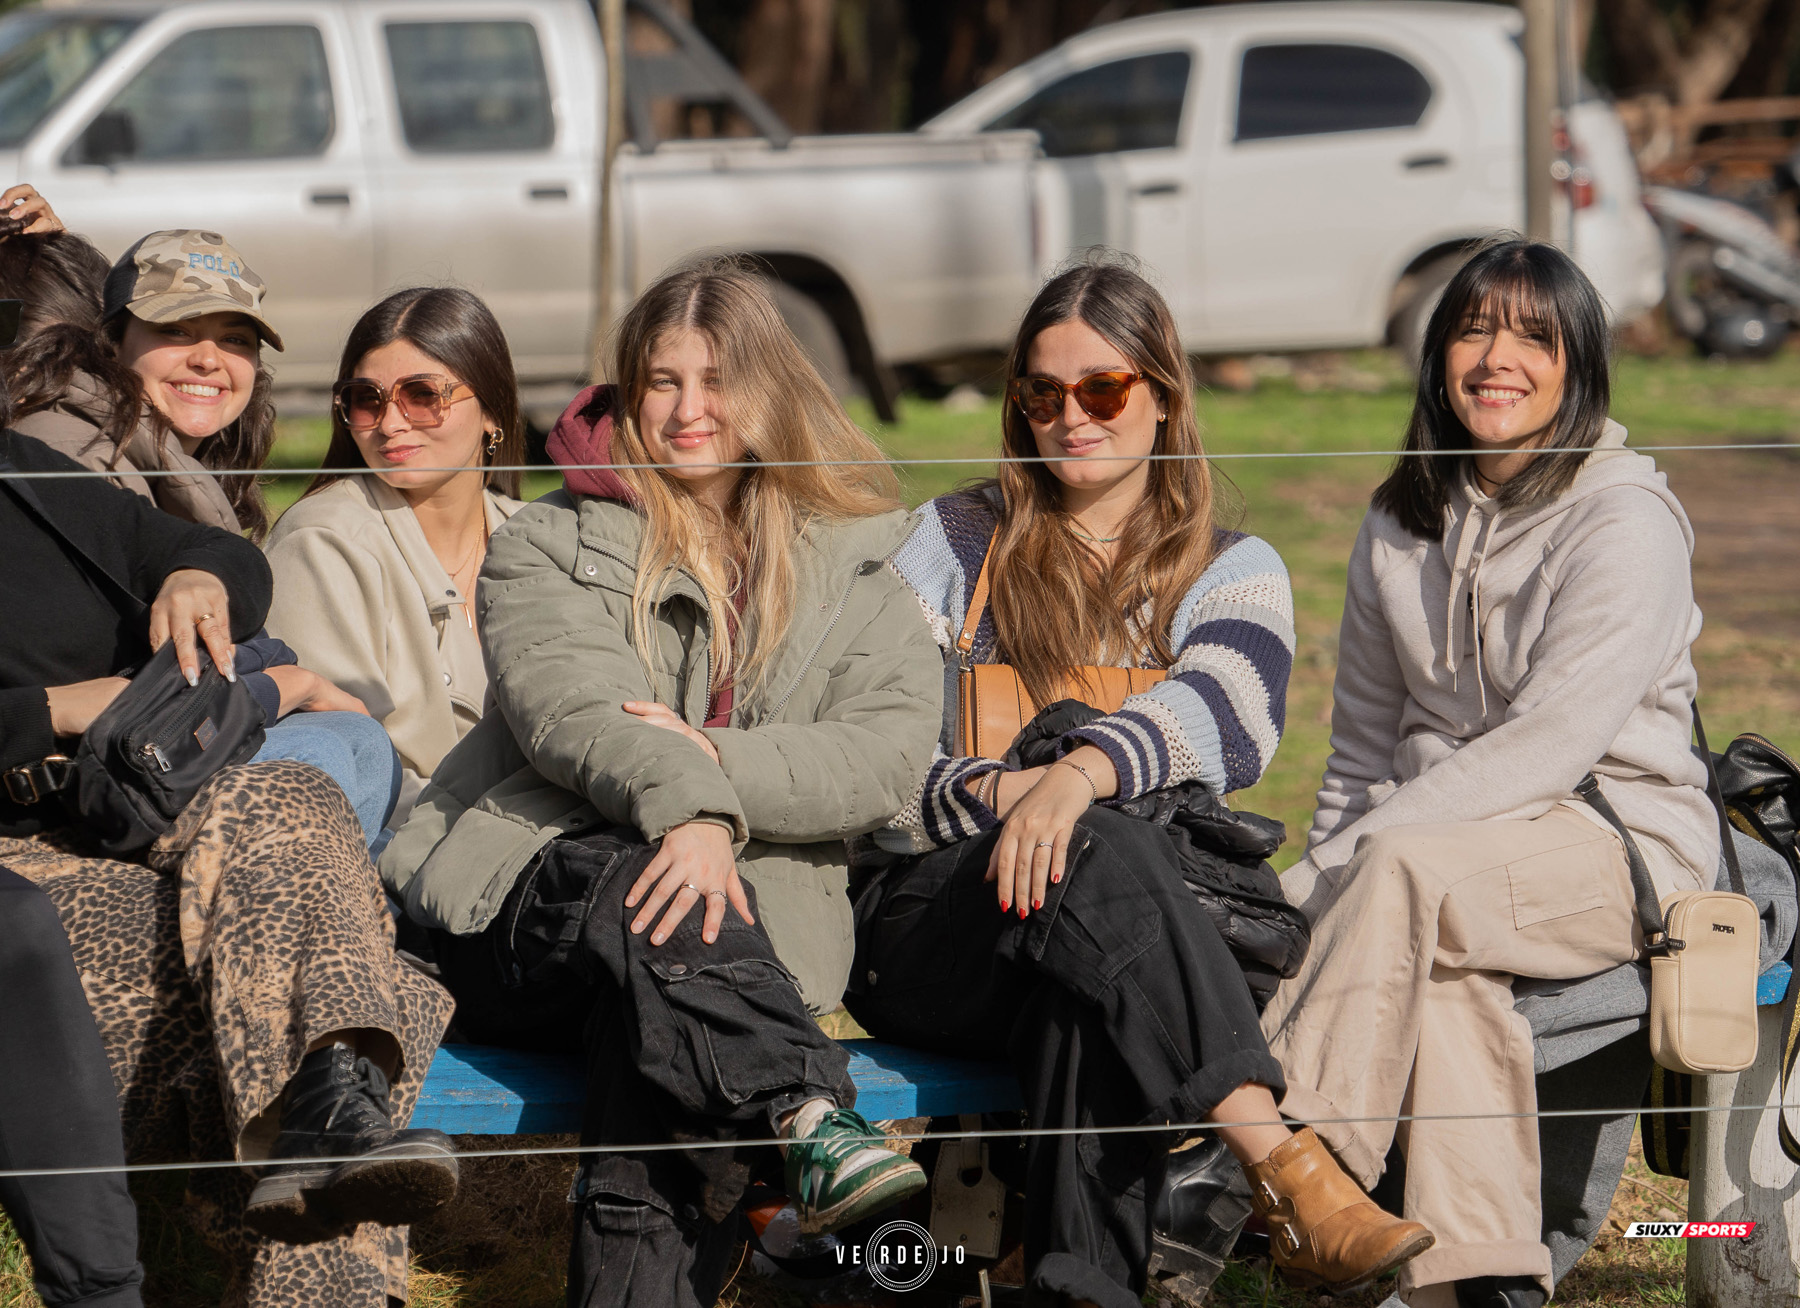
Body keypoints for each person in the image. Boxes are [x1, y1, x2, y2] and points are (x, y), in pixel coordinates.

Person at [849, 259, 1432, 1308]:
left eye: (1103, 389)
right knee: (1100, 850)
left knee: (1091, 950)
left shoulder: (1228, 565)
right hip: (934, 927)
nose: (1071, 416)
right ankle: (1279, 1161)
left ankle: (1084, 1291)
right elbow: (868, 744)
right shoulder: (950, 543)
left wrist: (1082, 771)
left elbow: (1235, 710)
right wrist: (1000, 797)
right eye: (1041, 391)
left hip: (1107, 944)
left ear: (1163, 394)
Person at [379, 260, 944, 1307]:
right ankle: (808, 1114)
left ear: (771, 389)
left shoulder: (859, 562)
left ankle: (788, 1131)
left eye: (716, 380)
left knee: (654, 1063)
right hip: (530, 904)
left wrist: (711, 773)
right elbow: (575, 712)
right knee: (640, 885)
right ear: (629, 394)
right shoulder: (548, 542)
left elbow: (885, 754)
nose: (688, 410)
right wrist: (685, 813)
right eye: (662, 382)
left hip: (720, 954)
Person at [1259, 239, 1719, 1308]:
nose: (1497, 358)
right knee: (1448, 974)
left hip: (1617, 841)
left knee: (1402, 875)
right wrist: (1330, 862)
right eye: (1473, 329)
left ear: (1578, 366)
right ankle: (1477, 1283)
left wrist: (1328, 876)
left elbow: (1551, 743)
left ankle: (1292, 1165)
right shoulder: (1396, 522)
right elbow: (1361, 756)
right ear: (1437, 357)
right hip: (1447, 860)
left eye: (1533, 336)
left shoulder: (1624, 519)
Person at [0, 425, 458, 1307]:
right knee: (368, 972)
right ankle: (330, 1126)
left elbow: (207, 548)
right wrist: (50, 711)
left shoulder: (24, 472)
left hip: (136, 792)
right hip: (24, 860)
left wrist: (198, 579)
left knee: (293, 796)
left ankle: (328, 1121)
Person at [0, 215, 396, 844]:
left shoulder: (172, 451)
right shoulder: (74, 454)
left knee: (357, 744)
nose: (209, 358)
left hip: (158, 734)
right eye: (175, 329)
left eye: (235, 338)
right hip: (99, 771)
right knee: (321, 762)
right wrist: (281, 686)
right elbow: (132, 683)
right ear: (111, 341)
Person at [263, 287, 527, 829]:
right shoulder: (321, 542)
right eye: (367, 398)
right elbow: (350, 773)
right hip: (394, 860)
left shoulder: (539, 535)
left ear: (493, 412)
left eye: (423, 395)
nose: (390, 424)